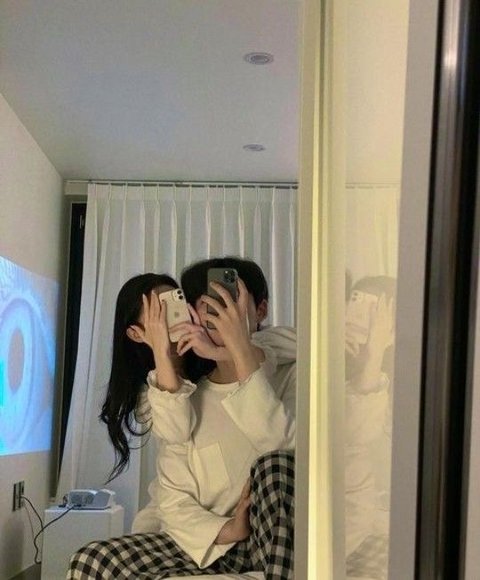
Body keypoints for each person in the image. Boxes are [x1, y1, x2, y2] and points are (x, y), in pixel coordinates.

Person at [67, 259, 296, 580]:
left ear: (260, 310)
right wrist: (226, 529)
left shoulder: (286, 364)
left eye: (175, 304)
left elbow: (283, 447)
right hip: (216, 538)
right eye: (206, 306)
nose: (218, 314)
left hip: (270, 535)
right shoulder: (181, 399)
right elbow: (173, 487)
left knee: (275, 466)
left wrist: (235, 348)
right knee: (91, 561)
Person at [344, 275, 396, 579]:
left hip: (381, 533)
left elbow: (360, 433)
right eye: (355, 301)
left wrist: (375, 352)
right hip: (340, 528)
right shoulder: (322, 367)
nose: (357, 314)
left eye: (372, 308)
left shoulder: (412, 381)